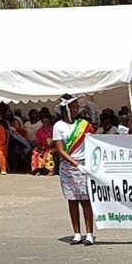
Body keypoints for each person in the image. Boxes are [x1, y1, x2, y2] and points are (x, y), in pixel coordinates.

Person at [53, 95, 95, 245]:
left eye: (77, 107)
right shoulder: (58, 126)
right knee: (72, 200)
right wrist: (75, 163)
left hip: (84, 165)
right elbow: (60, 149)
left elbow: (94, 141)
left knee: (86, 200)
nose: (76, 110)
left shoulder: (83, 124)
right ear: (65, 110)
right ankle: (77, 233)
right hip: (68, 167)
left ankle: (89, 233)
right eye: (73, 107)